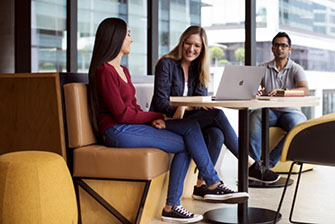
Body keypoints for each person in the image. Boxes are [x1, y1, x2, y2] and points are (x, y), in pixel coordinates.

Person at [88, 17, 249, 223]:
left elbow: (134, 108)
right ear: (115, 37)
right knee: (191, 132)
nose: (131, 39)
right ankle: (212, 183)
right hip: (116, 132)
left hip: (130, 127)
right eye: (128, 34)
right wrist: (158, 116)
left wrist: (150, 120)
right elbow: (121, 115)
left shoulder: (123, 70)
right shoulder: (105, 71)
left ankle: (172, 206)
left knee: (188, 139)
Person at [150, 25, 280, 194]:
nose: (191, 49)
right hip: (167, 121)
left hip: (188, 121)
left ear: (202, 49)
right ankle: (249, 164)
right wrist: (184, 105)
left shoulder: (199, 69)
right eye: (188, 43)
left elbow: (200, 103)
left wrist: (247, 92)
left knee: (216, 134)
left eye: (197, 46)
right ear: (181, 43)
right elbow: (161, 103)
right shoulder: (166, 64)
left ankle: (201, 185)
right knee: (217, 114)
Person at [249, 32, 309, 168]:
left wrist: (283, 93)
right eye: (276, 45)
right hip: (270, 112)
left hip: (291, 112)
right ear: (272, 48)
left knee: (298, 127)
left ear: (290, 49)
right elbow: (250, 87)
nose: (280, 48)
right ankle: (254, 166)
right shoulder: (263, 67)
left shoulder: (296, 68)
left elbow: (305, 90)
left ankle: (267, 165)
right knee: (254, 117)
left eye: (283, 45)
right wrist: (255, 91)